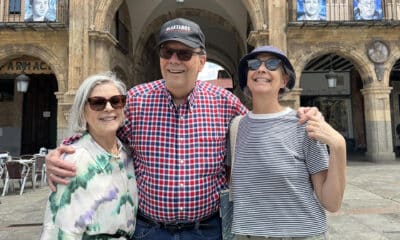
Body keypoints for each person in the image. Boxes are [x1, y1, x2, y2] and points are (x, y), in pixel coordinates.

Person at [45, 18, 322, 240]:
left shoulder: (225, 102)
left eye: (184, 53)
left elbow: (262, 129)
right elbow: (101, 129)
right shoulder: (136, 100)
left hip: (208, 230)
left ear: (201, 61)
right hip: (149, 231)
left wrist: (299, 116)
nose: (175, 60)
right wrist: (63, 151)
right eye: (168, 52)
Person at [229, 45, 347, 239]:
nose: (261, 68)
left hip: (301, 234)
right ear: (246, 78)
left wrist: (339, 146)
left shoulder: (304, 125)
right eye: (254, 64)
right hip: (247, 235)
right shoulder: (236, 127)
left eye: (272, 64)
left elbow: (331, 202)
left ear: (284, 79)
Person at [40, 72, 138, 239]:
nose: (109, 108)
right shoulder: (73, 161)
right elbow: (59, 232)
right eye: (98, 103)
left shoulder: (126, 155)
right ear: (82, 111)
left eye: (116, 101)